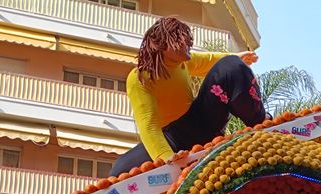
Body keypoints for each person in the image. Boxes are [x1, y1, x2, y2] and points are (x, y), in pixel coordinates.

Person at [110, 17, 267, 176]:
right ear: (163, 44)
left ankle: (262, 122)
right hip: (172, 138)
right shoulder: (140, 78)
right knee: (119, 170)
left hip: (200, 123)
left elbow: (209, 61)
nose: (189, 46)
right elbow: (149, 126)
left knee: (231, 65)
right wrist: (168, 158)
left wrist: (236, 57)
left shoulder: (182, 63)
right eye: (184, 42)